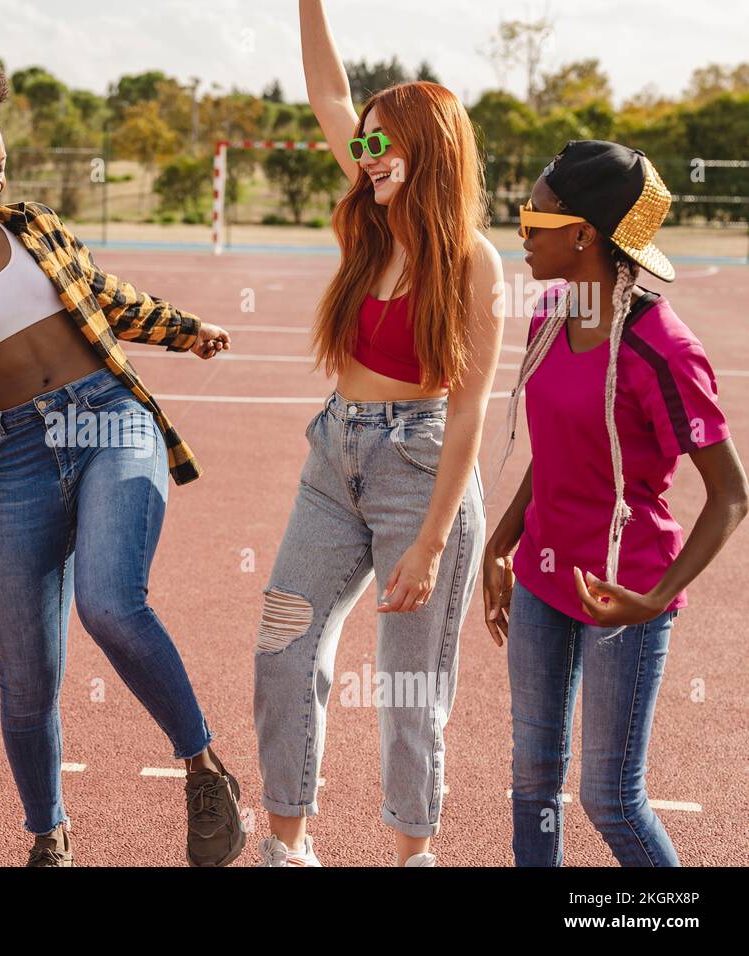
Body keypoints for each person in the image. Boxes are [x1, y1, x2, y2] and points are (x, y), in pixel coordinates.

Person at [0, 39, 242, 867]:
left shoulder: (35, 229)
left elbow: (105, 299)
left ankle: (204, 767)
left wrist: (186, 331)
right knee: (26, 682)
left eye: (0, 168)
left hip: (108, 422)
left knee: (109, 601)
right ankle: (49, 834)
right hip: (18, 458)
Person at [252, 0, 505, 868]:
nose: (366, 155)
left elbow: (470, 407)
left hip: (422, 471)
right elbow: (328, 93)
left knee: (409, 689)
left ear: (429, 147)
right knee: (283, 645)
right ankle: (288, 846)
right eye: (361, 144)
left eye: (383, 142)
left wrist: (432, 543)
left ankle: (411, 855)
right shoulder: (367, 218)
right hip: (336, 457)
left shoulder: (473, 260)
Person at [484, 140, 748, 866]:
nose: (522, 231)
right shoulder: (549, 312)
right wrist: (499, 543)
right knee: (533, 778)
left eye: (534, 215)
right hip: (542, 578)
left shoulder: (663, 348)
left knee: (609, 796)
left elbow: (731, 495)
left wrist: (654, 596)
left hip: (624, 591)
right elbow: (560, 449)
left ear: (584, 233)